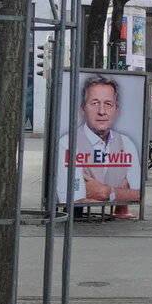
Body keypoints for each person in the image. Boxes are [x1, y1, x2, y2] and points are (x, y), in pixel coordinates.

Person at [56, 74, 141, 219]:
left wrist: (106, 192)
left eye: (108, 104)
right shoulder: (68, 143)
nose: (102, 111)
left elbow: (140, 194)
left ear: (116, 110)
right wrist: (122, 192)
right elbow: (72, 199)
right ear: (83, 109)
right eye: (94, 103)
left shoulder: (126, 143)